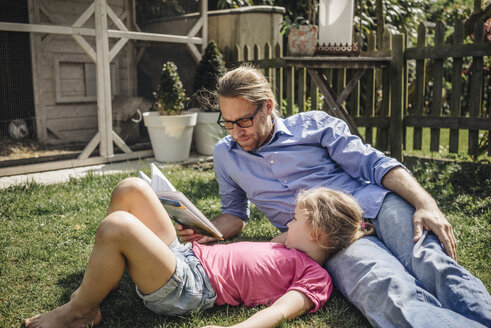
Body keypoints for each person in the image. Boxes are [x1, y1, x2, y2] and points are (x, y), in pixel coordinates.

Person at [177, 64, 491, 328]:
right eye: (228, 123)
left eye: (244, 120)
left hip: (376, 204)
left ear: (268, 106)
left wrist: (426, 204)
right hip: (329, 235)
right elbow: (234, 214)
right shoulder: (226, 155)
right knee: (385, 287)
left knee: (432, 264)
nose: (236, 131)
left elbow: (374, 163)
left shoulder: (314, 126)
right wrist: (204, 230)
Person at [24, 179, 372, 328]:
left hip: (188, 287)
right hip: (186, 259)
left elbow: (282, 311)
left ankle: (81, 311)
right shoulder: (290, 243)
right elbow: (240, 235)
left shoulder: (314, 275)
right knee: (132, 189)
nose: (287, 223)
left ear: (315, 234)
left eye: (295, 219)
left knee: (118, 225)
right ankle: (106, 281)